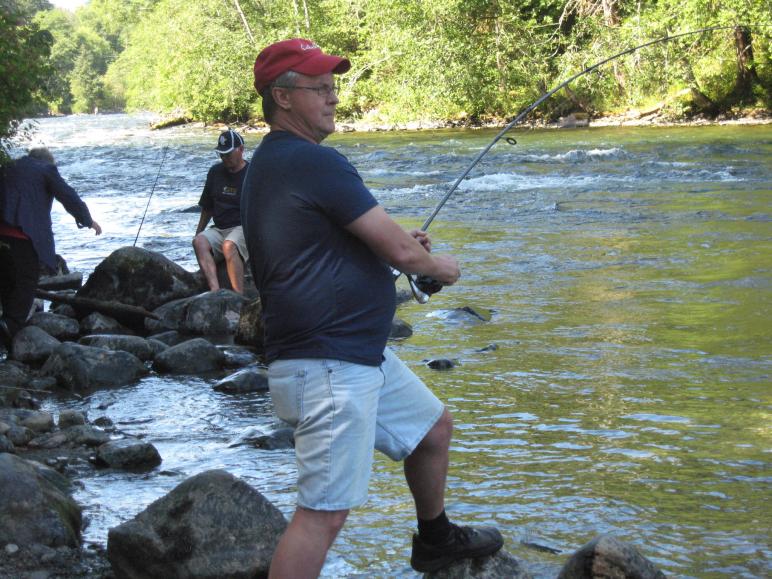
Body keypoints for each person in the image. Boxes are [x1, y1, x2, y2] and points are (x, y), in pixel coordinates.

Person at [241, 39, 503, 578]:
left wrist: (393, 243)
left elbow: (321, 242)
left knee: (432, 430)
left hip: (351, 354)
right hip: (329, 365)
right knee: (323, 515)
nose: (333, 97)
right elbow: (404, 254)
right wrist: (439, 267)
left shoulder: (272, 162)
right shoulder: (314, 161)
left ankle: (435, 539)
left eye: (334, 86)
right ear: (282, 97)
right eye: (320, 87)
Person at [0, 147, 102, 349]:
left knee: (7, 282)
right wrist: (87, 220)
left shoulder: (8, 167)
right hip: (23, 236)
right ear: (49, 162)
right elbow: (67, 195)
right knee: (26, 282)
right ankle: (9, 327)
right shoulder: (46, 169)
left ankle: (8, 335)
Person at [193, 129, 249, 294]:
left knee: (229, 245)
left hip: (243, 228)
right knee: (199, 242)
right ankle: (215, 291)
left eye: (228, 154)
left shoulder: (252, 174)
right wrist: (199, 232)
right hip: (219, 228)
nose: (224, 158)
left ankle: (238, 296)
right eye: (221, 154)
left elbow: (264, 208)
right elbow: (207, 207)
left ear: (241, 149)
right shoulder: (215, 172)